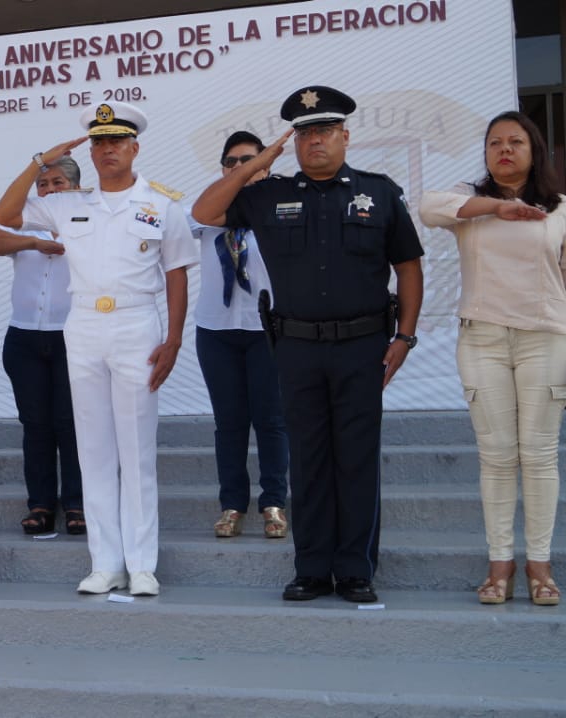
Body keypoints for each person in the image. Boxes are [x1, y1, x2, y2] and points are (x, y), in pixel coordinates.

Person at [191, 86, 424, 604]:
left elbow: (408, 266)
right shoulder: (268, 194)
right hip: (295, 349)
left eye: (324, 130)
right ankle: (312, 567)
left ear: (345, 135)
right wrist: (260, 162)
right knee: (310, 459)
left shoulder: (378, 192)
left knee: (357, 459)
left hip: (364, 345)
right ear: (292, 142)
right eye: (303, 133)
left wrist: (404, 336)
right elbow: (206, 211)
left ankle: (357, 568)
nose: (314, 140)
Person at [0, 102, 197, 597]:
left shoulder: (161, 205)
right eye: (99, 142)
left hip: (136, 326)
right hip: (82, 325)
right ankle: (105, 562)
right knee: (94, 451)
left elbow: (176, 274)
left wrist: (172, 339)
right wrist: (40, 161)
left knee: (137, 450)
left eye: (116, 142)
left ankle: (142, 563)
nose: (107, 150)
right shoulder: (65, 203)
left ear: (134, 148)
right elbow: (4, 215)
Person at [420, 111, 566, 607]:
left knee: (540, 456)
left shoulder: (560, 207)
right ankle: (499, 564)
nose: (505, 150)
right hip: (481, 340)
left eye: (516, 142)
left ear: (534, 149)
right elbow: (427, 208)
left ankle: (540, 565)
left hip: (544, 339)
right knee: (498, 457)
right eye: (495, 143)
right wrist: (494, 209)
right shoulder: (469, 203)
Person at [189, 131, 289, 539]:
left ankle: (274, 502)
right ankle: (232, 504)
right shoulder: (208, 206)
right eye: (231, 162)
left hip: (266, 329)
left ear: (266, 163)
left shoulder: (282, 204)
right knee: (228, 422)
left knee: (271, 420)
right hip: (216, 330)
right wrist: (234, 181)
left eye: (248, 159)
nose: (238, 167)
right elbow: (193, 218)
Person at [0, 156, 84, 536]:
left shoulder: (86, 221)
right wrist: (35, 242)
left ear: (75, 187)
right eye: (43, 185)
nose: (49, 191)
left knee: (71, 424)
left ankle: (77, 503)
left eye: (58, 183)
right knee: (35, 424)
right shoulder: (23, 223)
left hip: (70, 335)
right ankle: (40, 503)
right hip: (24, 337)